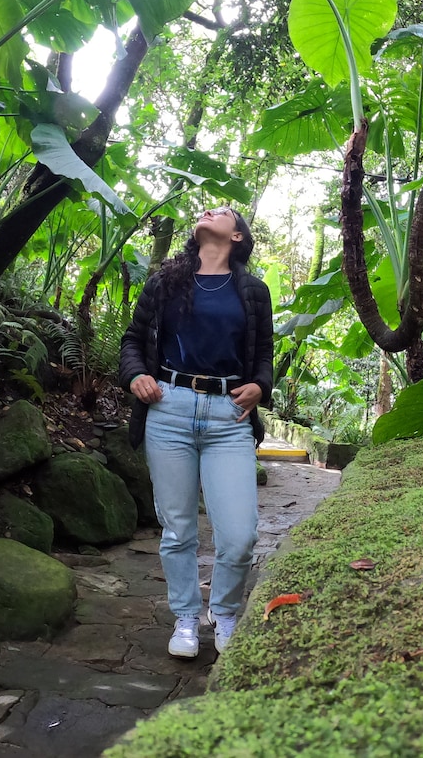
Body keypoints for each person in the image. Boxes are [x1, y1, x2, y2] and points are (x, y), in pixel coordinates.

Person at [119, 206, 274, 659]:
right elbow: (132, 340)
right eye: (209, 209)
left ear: (239, 236)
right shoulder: (165, 282)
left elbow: (263, 353)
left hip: (230, 418)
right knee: (178, 529)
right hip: (168, 409)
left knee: (240, 534)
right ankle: (186, 616)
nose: (211, 210)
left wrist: (260, 386)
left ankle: (223, 613)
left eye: (224, 211)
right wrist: (135, 377)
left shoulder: (253, 292)